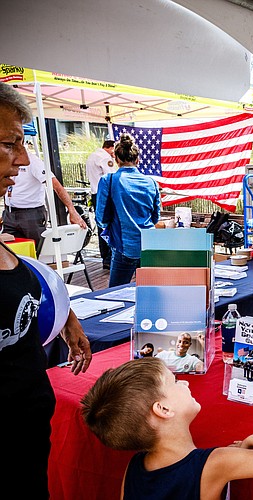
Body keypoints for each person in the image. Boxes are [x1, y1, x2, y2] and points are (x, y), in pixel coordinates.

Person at [0, 81, 93, 498]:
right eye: (9, 144)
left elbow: (22, 274)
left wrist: (67, 316)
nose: (21, 159)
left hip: (28, 447)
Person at [80, 357, 253, 499]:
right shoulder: (215, 463)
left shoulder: (135, 466)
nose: (185, 383)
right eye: (175, 380)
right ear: (163, 409)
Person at [95, 132, 160, 287]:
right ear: (137, 159)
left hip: (124, 247)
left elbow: (101, 218)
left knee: (115, 294)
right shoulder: (151, 182)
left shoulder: (108, 180)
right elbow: (155, 217)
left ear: (116, 159)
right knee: (151, 295)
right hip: (150, 246)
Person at [1, 149, 87, 249]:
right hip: (9, 213)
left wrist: (72, 211)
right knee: (8, 250)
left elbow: (57, 187)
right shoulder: (6, 161)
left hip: (31, 214)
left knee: (39, 249)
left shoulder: (33, 161)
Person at [85, 139, 115, 268]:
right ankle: (110, 257)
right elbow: (112, 177)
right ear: (110, 147)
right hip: (106, 194)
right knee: (110, 225)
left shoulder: (92, 156)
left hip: (96, 193)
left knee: (101, 226)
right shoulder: (104, 158)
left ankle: (105, 258)